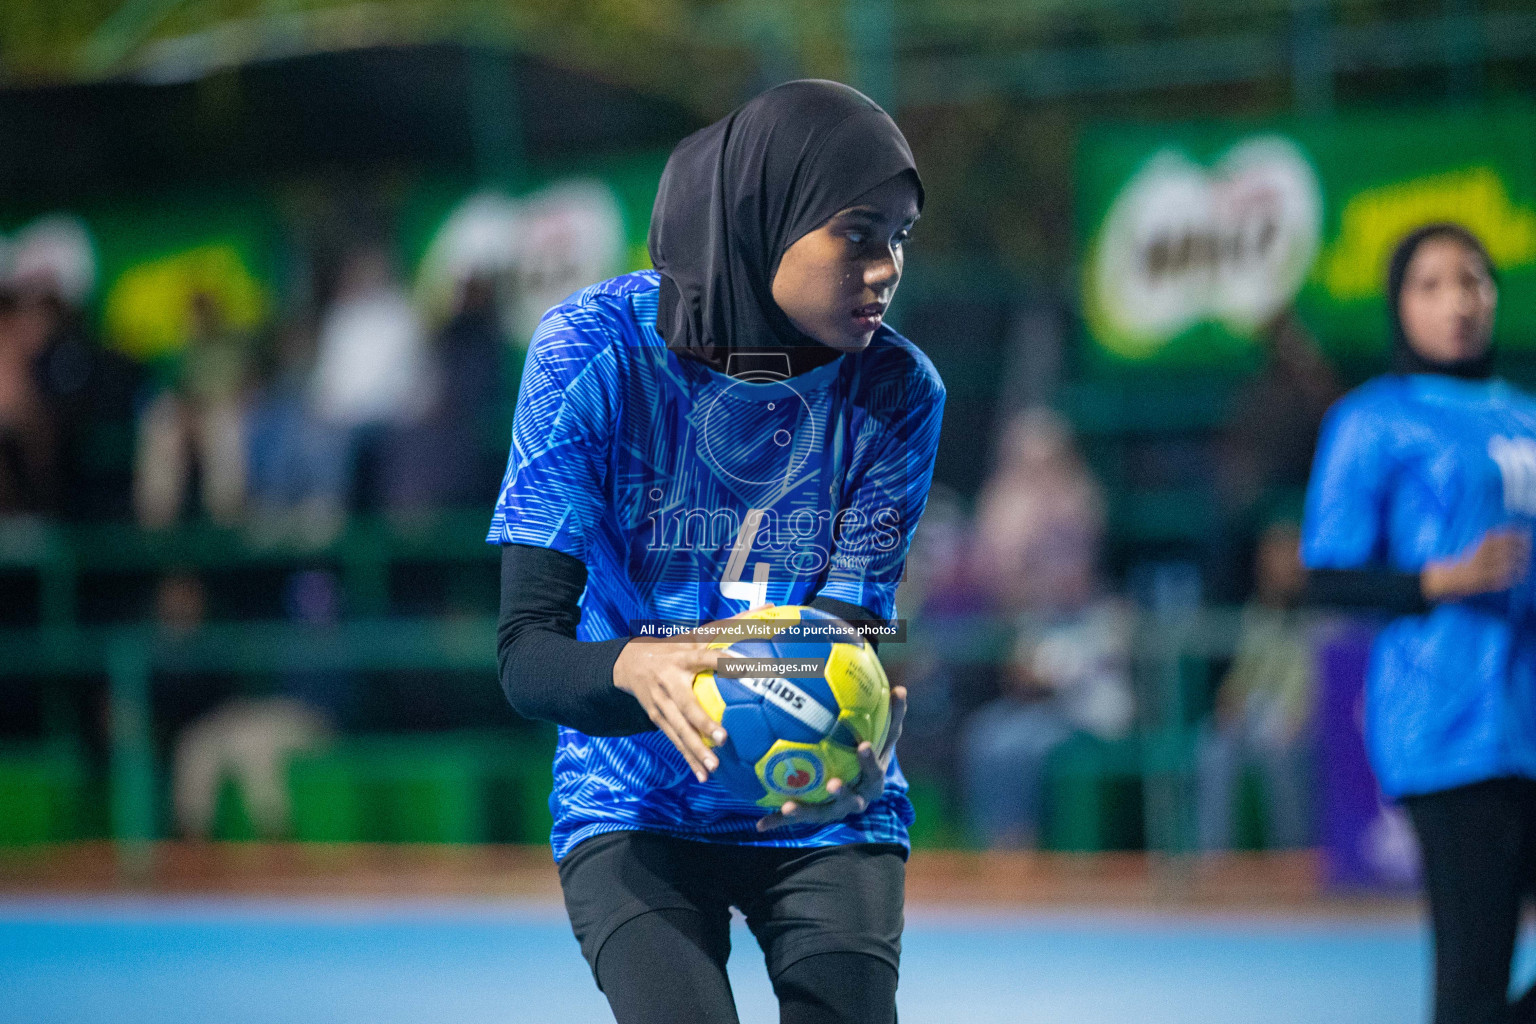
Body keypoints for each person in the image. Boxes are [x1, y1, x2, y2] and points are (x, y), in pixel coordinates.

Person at [489, 80, 943, 1024]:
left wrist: (849, 696)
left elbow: (846, 626)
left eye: (900, 237)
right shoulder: (591, 350)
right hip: (635, 803)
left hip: (818, 805)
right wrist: (635, 666)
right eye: (859, 233)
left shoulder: (901, 390)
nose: (887, 266)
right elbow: (526, 655)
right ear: (761, 217)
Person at [1300, 223, 1536, 1024]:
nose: (1457, 302)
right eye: (1430, 285)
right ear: (1399, 306)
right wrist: (1444, 577)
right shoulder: (1373, 420)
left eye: (1471, 280)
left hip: (1532, 713)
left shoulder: (1524, 414)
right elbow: (1326, 578)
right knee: (1474, 975)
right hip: (1451, 729)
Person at [1195, 519, 1315, 852]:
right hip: (1257, 716)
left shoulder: (1321, 618)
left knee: (1280, 752)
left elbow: (1325, 687)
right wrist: (1229, 703)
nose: (1281, 568)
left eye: (1289, 559)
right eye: (1272, 559)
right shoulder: (1256, 614)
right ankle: (1213, 857)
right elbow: (1238, 681)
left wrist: (1298, 719)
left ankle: (1293, 855)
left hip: (1301, 723)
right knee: (1213, 746)